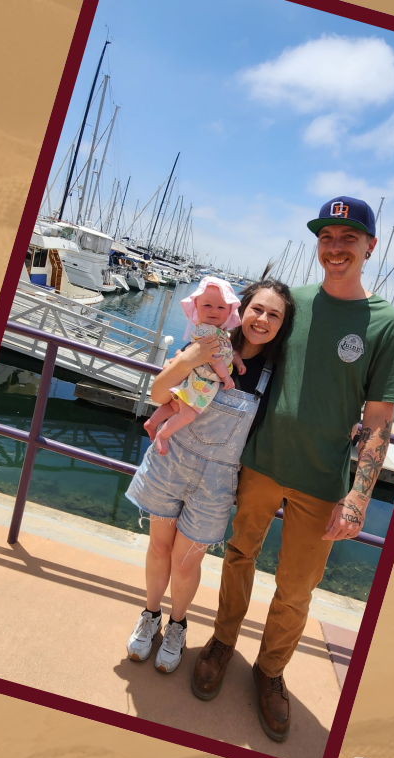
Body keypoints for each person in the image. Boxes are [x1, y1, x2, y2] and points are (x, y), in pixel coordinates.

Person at [190, 196, 394, 744]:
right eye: (327, 237)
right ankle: (222, 641)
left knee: (295, 588)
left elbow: (380, 419)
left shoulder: (388, 325)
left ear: (369, 247)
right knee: (239, 555)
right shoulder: (293, 304)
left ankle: (269, 674)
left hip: (322, 480)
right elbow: (239, 350)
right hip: (260, 461)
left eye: (348, 239)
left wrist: (360, 495)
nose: (335, 248)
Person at [122, 278, 294, 675]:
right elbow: (156, 394)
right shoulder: (209, 344)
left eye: (274, 315)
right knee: (159, 549)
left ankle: (177, 625)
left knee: (185, 563)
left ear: (282, 325)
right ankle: (150, 615)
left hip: (216, 481)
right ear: (241, 309)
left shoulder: (275, 376)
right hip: (172, 460)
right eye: (257, 309)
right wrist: (187, 359)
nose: (263, 319)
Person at [142, 277, 247, 454]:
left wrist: (237, 360)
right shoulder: (206, 331)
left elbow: (228, 352)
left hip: (195, 380)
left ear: (229, 311)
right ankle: (163, 435)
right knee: (188, 414)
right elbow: (215, 358)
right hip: (198, 381)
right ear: (196, 306)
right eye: (207, 306)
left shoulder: (220, 333)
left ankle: (152, 423)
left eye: (221, 307)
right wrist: (225, 376)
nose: (214, 311)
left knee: (174, 406)